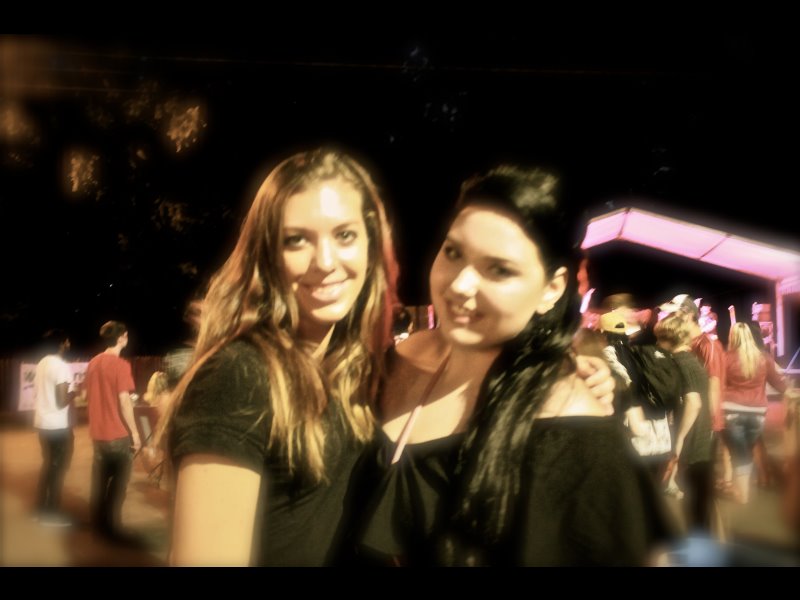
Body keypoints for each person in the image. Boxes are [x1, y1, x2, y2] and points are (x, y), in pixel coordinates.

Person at [342, 165, 670, 566]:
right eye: (453, 252)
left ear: (551, 288)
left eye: (499, 269)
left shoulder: (573, 434)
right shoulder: (399, 360)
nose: (459, 285)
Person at [158, 148, 399, 566]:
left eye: (344, 235)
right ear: (268, 255)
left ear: (370, 244)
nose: (325, 262)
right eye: (296, 240)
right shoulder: (240, 375)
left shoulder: (348, 365)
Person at [84, 320, 140, 540]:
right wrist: (135, 433)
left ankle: (98, 525)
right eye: (125, 335)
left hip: (97, 434)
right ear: (121, 338)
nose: (127, 338)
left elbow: (87, 396)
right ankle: (112, 528)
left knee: (99, 482)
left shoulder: (93, 363)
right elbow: (125, 401)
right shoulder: (120, 365)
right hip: (118, 434)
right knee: (118, 484)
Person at [723, 322, 787, 504]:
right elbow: (778, 384)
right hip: (757, 413)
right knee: (747, 451)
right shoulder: (764, 358)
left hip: (732, 411)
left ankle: (742, 495)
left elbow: (719, 384)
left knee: (739, 454)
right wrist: (790, 392)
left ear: (732, 337)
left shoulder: (726, 358)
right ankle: (743, 487)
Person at [32, 329, 75, 527]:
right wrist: (75, 392)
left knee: (48, 465)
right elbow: (62, 400)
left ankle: (39, 509)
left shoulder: (42, 363)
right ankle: (51, 514)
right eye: (67, 341)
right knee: (58, 469)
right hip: (58, 426)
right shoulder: (61, 366)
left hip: (42, 423)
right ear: (61, 344)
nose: (69, 344)